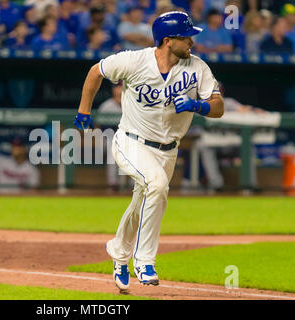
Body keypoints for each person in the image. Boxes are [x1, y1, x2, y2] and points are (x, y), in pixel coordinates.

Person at [73, 11, 223, 292]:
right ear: (168, 40)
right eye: (186, 36)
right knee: (156, 186)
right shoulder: (134, 60)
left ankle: (119, 254)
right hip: (131, 141)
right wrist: (84, 110)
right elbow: (97, 71)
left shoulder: (197, 68)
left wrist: (197, 106)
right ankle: (144, 261)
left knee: (143, 199)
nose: (191, 41)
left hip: (168, 151)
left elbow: (218, 105)